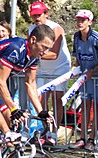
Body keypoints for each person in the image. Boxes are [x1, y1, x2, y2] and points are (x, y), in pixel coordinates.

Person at [0, 24, 55, 136]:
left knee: (12, 123)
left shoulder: (35, 56)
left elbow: (30, 83)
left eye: (49, 49)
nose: (46, 52)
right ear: (33, 40)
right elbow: (0, 81)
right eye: (44, 47)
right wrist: (14, 109)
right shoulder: (16, 49)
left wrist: (40, 112)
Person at [28, 1, 71, 138]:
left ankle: (54, 132)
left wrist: (36, 55)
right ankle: (42, 129)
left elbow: (54, 54)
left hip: (60, 68)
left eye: (39, 15)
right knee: (40, 99)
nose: (37, 18)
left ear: (46, 13)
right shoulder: (31, 29)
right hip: (42, 68)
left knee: (57, 99)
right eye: (34, 15)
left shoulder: (55, 28)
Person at [69, 9, 98, 151]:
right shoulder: (76, 37)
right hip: (84, 79)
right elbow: (78, 57)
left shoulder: (96, 38)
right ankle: (82, 138)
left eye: (83, 20)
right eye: (78, 20)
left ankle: (92, 139)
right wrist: (75, 69)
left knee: (96, 109)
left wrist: (92, 71)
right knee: (85, 107)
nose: (80, 22)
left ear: (89, 22)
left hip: (96, 78)